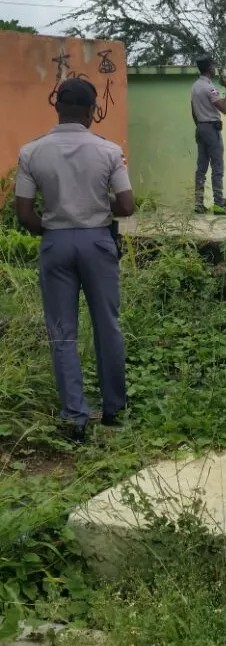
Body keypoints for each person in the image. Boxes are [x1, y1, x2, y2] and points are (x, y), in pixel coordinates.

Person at [14, 78, 135, 442]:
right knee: (107, 326)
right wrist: (96, 206)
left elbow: (24, 213)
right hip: (98, 243)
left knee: (62, 332)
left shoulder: (31, 152)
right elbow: (127, 206)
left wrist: (53, 228)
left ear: (57, 108)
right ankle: (114, 409)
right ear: (90, 113)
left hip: (55, 244)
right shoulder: (109, 151)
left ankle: (75, 418)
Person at [191, 55, 226, 215]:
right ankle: (219, 204)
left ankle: (198, 203)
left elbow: (193, 110)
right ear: (210, 68)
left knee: (201, 168)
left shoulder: (195, 86)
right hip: (211, 129)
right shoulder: (209, 88)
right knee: (217, 167)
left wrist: (201, 125)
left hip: (201, 128)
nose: (215, 67)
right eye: (214, 65)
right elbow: (224, 108)